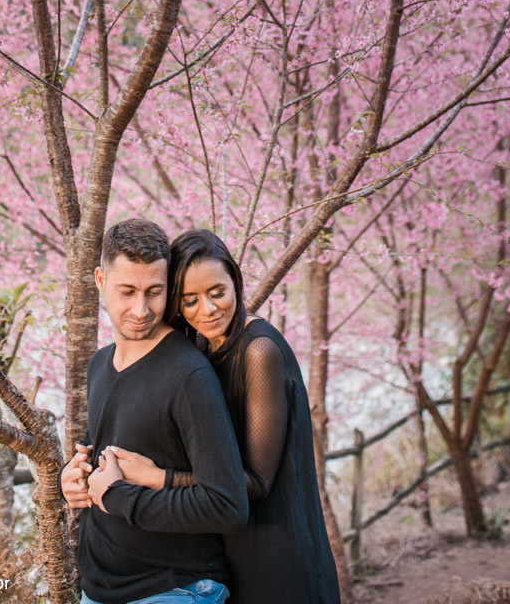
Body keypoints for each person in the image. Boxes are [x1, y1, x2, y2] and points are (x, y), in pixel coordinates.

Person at [105, 229, 341, 604]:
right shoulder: (198, 346)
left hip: (277, 545)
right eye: (190, 300)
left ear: (236, 282)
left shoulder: (259, 351)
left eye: (217, 293)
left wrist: (159, 478)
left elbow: (258, 481)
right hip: (224, 546)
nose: (208, 310)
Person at [59, 218, 248, 604]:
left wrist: (119, 497)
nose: (141, 309)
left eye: (154, 292)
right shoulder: (98, 365)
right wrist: (72, 480)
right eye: (127, 291)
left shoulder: (188, 374)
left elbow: (227, 506)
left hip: (175, 588)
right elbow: (99, 460)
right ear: (100, 280)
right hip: (97, 589)